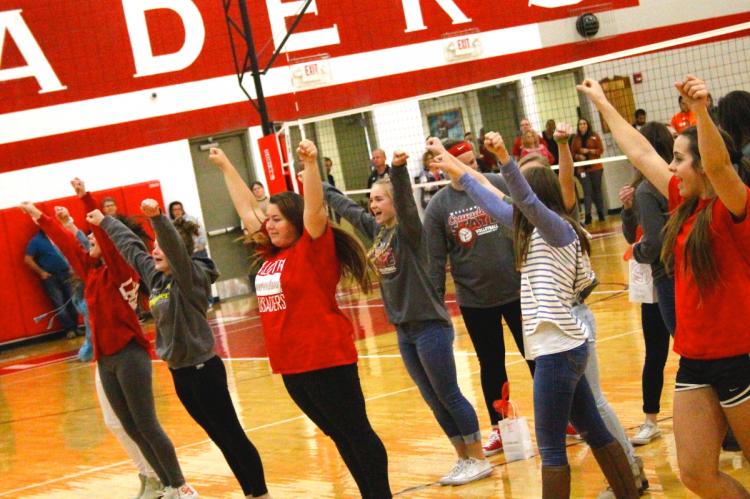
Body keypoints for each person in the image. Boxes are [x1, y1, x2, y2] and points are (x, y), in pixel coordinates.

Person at [431, 131, 642, 498]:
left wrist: (504, 158)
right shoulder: (536, 230)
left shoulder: (557, 230)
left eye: (523, 194)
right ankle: (630, 492)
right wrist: (453, 167)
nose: (514, 200)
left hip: (557, 351)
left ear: (537, 198)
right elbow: (491, 199)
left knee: (550, 448)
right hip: (564, 346)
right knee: (593, 428)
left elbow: (520, 199)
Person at [579, 75, 750, 498]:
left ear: (701, 164)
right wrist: (602, 103)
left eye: (678, 158)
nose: (670, 166)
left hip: (740, 356)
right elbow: (638, 151)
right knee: (694, 472)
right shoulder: (681, 200)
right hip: (694, 359)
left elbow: (719, 166)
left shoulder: (734, 204)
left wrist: (701, 112)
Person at [210, 143, 391, 498]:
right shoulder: (271, 253)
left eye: (277, 219)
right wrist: (225, 165)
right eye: (269, 220)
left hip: (326, 360)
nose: (269, 224)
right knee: (339, 435)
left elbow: (314, 208)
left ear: (295, 221)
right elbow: (248, 209)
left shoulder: (312, 248)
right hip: (292, 368)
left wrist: (308, 164)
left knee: (356, 432)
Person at [19, 180, 198, 499]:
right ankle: (164, 484)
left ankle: (181, 485)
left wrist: (87, 202)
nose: (87, 240)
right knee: (129, 426)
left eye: (92, 236)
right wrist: (39, 216)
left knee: (147, 424)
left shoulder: (120, 271)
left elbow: (101, 232)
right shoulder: (92, 272)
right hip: (106, 360)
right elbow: (67, 243)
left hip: (130, 355)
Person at [324, 147, 492, 486]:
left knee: (449, 393)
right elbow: (348, 209)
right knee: (432, 399)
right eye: (371, 200)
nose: (373, 205)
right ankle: (462, 457)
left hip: (430, 326)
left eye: (379, 200)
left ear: (392, 203)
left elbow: (404, 204)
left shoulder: (410, 233)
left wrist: (398, 173)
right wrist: (318, 186)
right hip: (405, 330)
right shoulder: (377, 232)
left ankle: (479, 457)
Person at [98, 198, 270, 499]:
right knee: (219, 438)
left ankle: (260, 494)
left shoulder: (191, 279)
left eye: (162, 248)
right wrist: (106, 222)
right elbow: (132, 250)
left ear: (178, 252)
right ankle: (251, 494)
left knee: (232, 436)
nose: (155, 252)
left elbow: (175, 252)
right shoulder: (155, 278)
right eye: (156, 247)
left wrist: (159, 220)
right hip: (181, 375)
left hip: (205, 371)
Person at [423, 138, 533, 457]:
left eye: (473, 162)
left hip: (517, 291)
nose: (471, 168)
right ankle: (499, 428)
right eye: (465, 163)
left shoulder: (497, 183)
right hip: (475, 301)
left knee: (537, 357)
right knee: (491, 366)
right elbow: (433, 261)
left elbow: (529, 219)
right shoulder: (439, 206)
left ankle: (566, 416)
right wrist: (434, 305)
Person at [618, 122, 675, 447]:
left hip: (664, 277)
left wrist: (636, 252)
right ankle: (651, 419)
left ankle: (652, 420)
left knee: (660, 352)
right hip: (662, 280)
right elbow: (632, 233)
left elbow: (646, 243)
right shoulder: (649, 187)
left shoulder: (651, 186)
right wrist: (627, 212)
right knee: (658, 352)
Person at [24, 227, 79, 338]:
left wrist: (72, 267)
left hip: (66, 273)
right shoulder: (35, 241)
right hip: (51, 277)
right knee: (59, 304)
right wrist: (41, 272)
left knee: (72, 301)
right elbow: (27, 259)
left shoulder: (58, 236)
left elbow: (69, 250)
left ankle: (76, 328)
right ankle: (69, 330)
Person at [571, 118, 606, 224]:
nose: (582, 125)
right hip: (582, 168)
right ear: (578, 126)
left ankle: (601, 214)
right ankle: (588, 216)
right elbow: (572, 154)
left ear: (588, 125)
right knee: (587, 191)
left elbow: (601, 150)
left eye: (584, 123)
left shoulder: (594, 136)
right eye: (580, 124)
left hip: (595, 167)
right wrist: (578, 155)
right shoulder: (575, 139)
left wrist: (590, 151)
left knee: (597, 190)